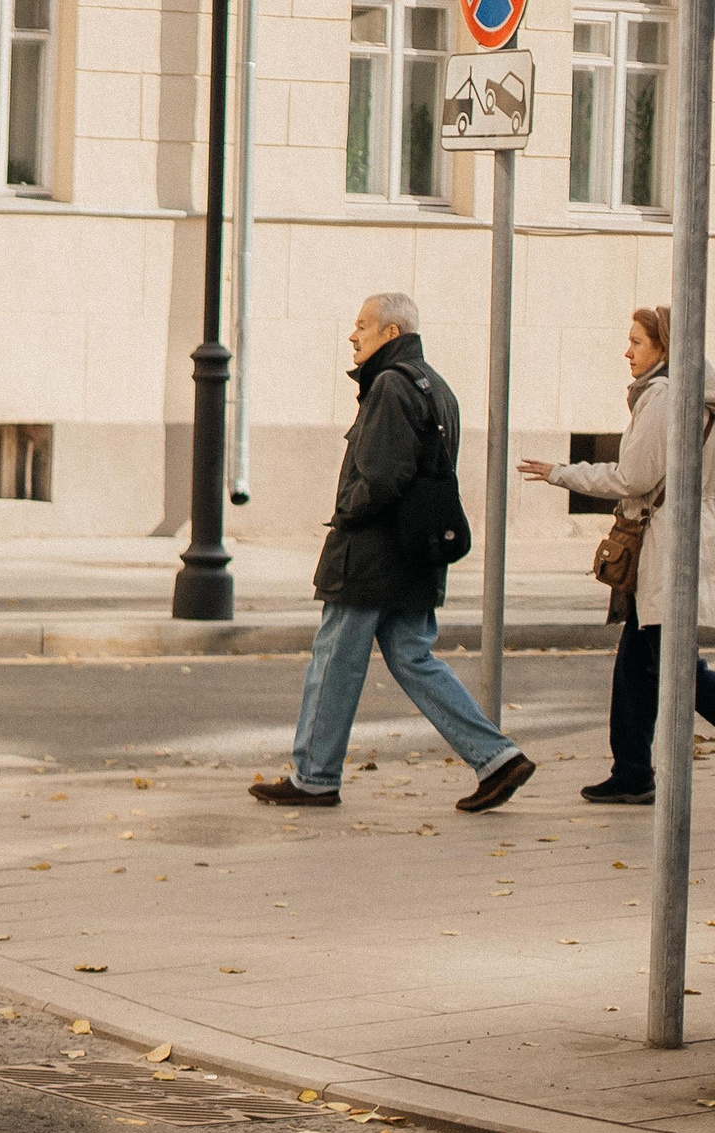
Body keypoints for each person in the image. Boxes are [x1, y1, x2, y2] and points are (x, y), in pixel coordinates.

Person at [252, 291, 535, 813]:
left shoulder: (388, 384)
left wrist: (345, 515)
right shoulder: (436, 386)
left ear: (392, 333)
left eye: (362, 325)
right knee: (413, 656)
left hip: (371, 556)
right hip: (415, 553)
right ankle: (497, 758)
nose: (352, 335)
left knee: (334, 660)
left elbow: (381, 475)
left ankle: (314, 777)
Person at [517, 305, 715, 805]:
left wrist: (561, 473)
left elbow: (633, 479)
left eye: (637, 343)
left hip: (664, 548)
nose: (627, 352)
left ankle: (631, 773)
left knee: (676, 669)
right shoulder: (689, 393)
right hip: (674, 542)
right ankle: (630, 772)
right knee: (637, 667)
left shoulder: (665, 396)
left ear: (664, 349)